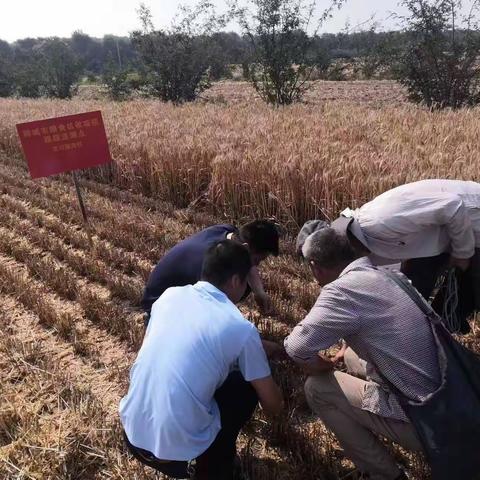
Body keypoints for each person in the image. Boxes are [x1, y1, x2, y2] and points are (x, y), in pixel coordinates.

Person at [285, 227, 441, 480]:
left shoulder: (341, 291)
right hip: (451, 400)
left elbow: (296, 347)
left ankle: (384, 475)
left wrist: (319, 365)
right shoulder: (389, 276)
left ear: (314, 266)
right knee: (349, 356)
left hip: (426, 422)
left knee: (317, 388)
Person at [120, 240, 283, 480]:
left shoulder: (169, 297)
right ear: (237, 281)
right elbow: (273, 405)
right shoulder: (240, 327)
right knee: (244, 389)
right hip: (177, 455)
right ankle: (213, 468)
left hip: (132, 436)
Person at [297, 179, 480, 333]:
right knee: (417, 299)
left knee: (472, 289)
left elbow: (452, 206)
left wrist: (463, 253)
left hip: (472, 220)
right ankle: (438, 334)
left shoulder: (381, 220)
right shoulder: (362, 248)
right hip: (443, 238)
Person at [142, 220, 280, 325]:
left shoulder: (228, 233)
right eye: (257, 260)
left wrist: (259, 292)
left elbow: (248, 263)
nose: (255, 266)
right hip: (159, 310)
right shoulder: (210, 263)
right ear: (245, 248)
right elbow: (212, 321)